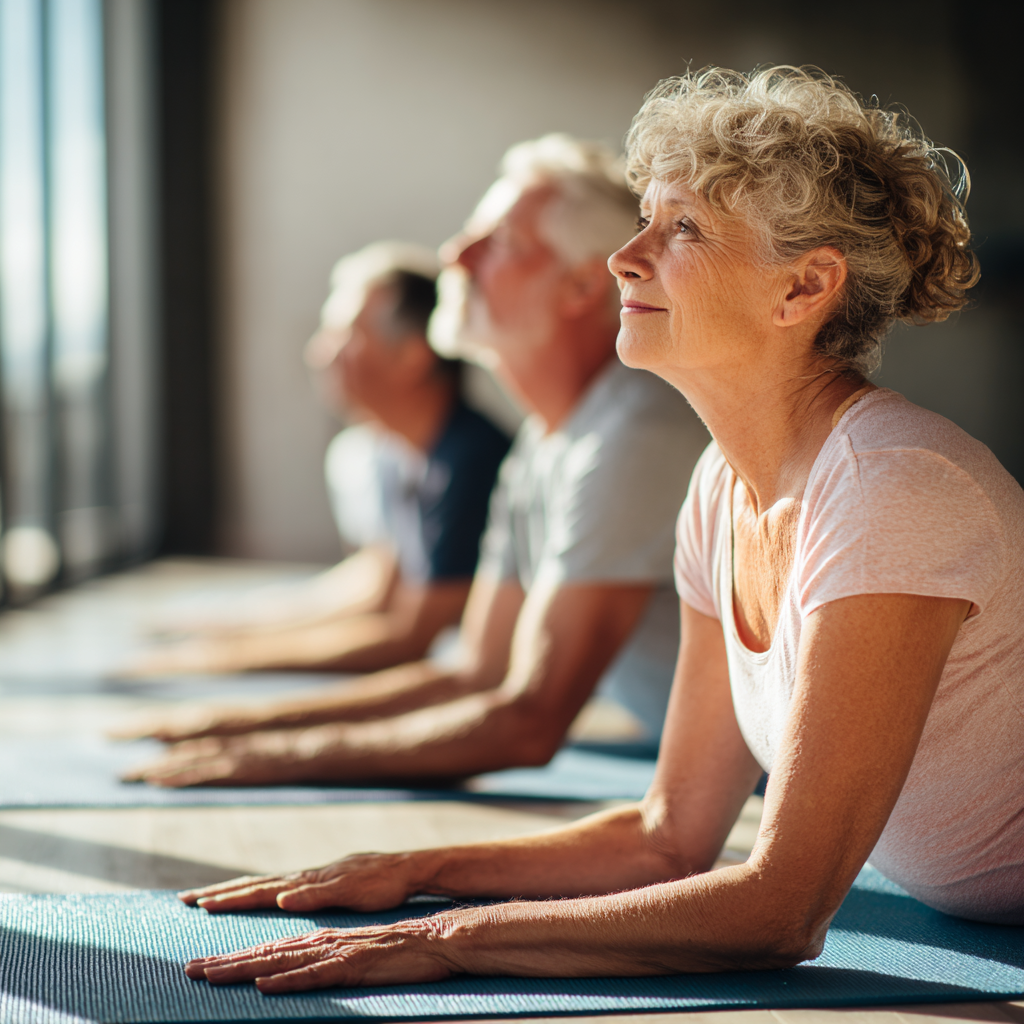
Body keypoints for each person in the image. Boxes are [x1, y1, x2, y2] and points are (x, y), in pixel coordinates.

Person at [176, 67, 1023, 994]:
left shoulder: (892, 489)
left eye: (684, 228)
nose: (627, 256)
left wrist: (451, 938)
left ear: (805, 287)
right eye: (643, 221)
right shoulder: (719, 487)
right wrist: (414, 870)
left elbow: (782, 907)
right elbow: (669, 838)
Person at [118, 133, 710, 783]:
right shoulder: (543, 444)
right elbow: (474, 672)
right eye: (469, 235)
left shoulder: (632, 433)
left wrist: (273, 756)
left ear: (580, 287)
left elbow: (529, 720)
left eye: (501, 244)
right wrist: (237, 724)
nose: (456, 255)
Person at [125, 244, 510, 676]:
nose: (319, 354)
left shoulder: (468, 462)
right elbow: (377, 587)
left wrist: (216, 659)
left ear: (412, 356)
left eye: (343, 335)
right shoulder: (403, 452)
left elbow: (409, 636)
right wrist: (224, 632)